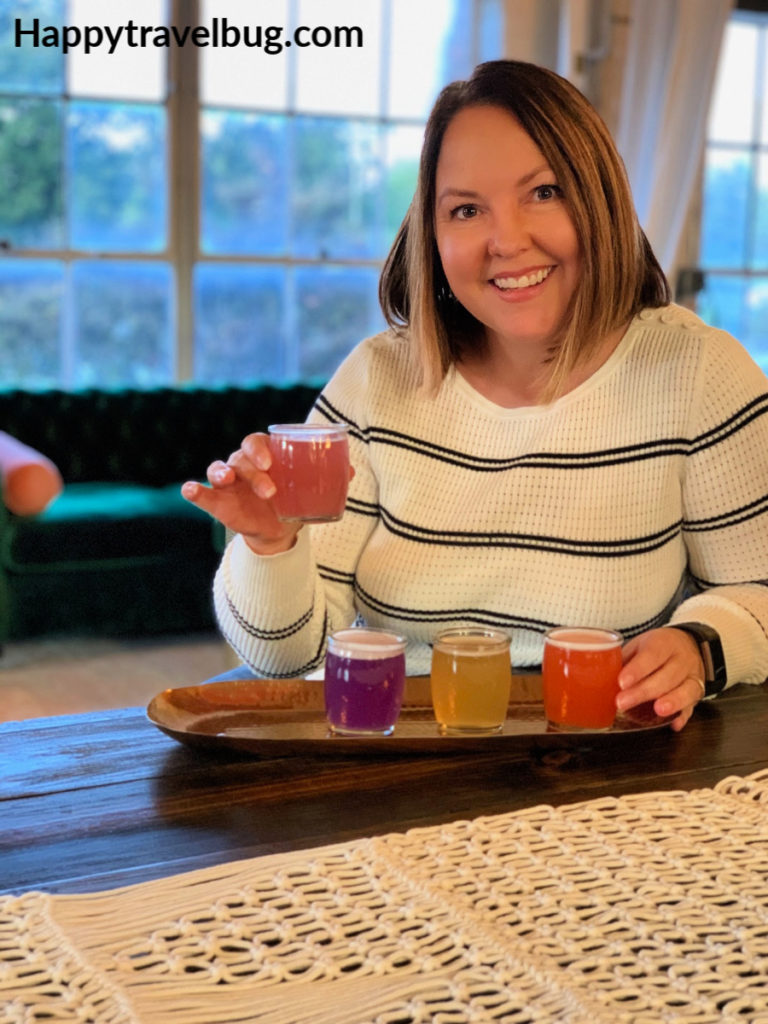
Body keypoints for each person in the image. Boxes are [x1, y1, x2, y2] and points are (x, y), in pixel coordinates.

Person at [182, 60, 768, 732]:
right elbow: (286, 658)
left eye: (544, 193)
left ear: (600, 199)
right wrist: (269, 546)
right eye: (466, 209)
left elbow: (758, 588)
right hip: (403, 749)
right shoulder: (378, 379)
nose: (507, 241)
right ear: (433, 236)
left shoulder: (696, 371)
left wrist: (701, 644)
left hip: (599, 753)